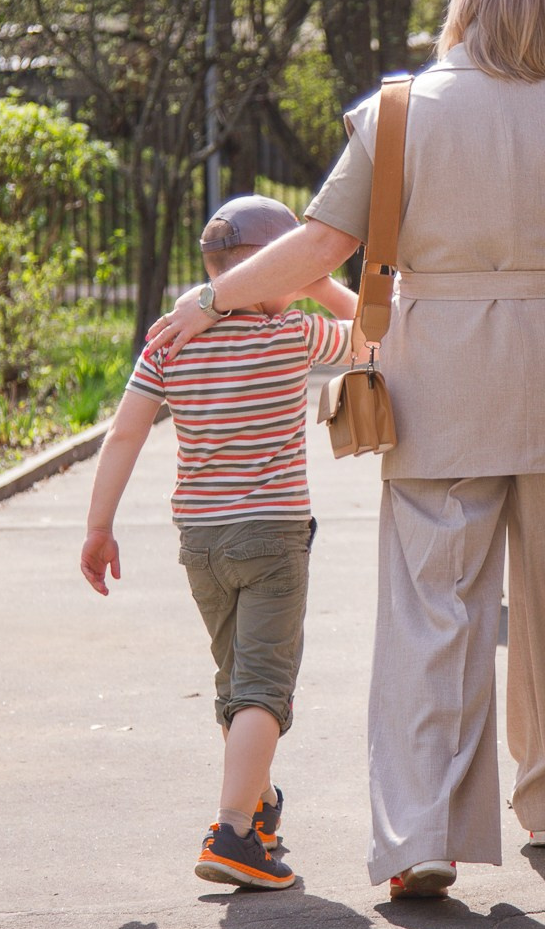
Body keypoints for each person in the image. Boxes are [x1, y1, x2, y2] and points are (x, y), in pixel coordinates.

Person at [143, 0, 545, 899]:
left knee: (434, 607)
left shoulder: (399, 112)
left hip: (442, 374)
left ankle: (425, 830)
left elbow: (320, 244)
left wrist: (209, 300)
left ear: (465, 5)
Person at [79, 195, 361, 890]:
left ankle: (258, 802)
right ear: (275, 275)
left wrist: (98, 525)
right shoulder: (291, 333)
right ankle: (233, 830)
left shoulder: (171, 341)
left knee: (235, 678)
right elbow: (376, 328)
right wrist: (320, 279)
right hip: (272, 538)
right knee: (264, 687)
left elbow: (125, 433)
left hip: (201, 543)